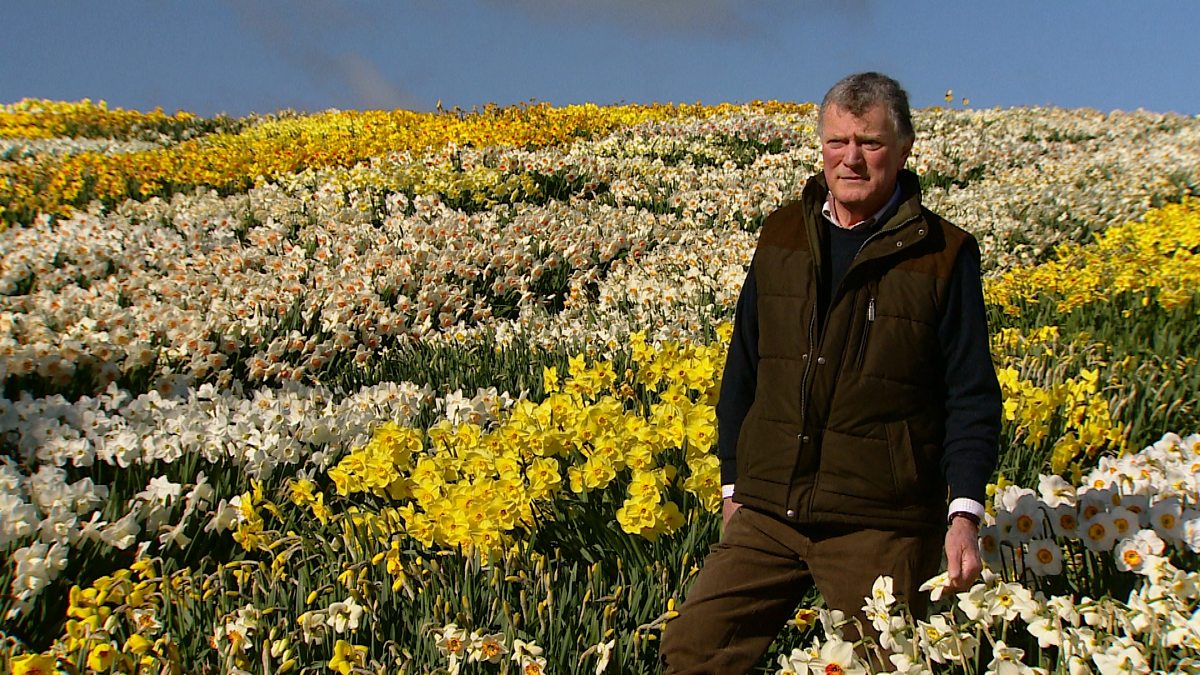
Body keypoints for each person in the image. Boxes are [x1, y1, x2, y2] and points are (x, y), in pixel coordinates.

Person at [660, 72, 1001, 673]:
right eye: (837, 141)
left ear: (904, 149)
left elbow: (970, 394)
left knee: (885, 665)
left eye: (870, 143)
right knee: (692, 651)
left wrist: (964, 515)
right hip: (770, 507)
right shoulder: (782, 234)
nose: (851, 159)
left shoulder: (943, 254)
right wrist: (734, 485)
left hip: (878, 519)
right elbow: (745, 366)